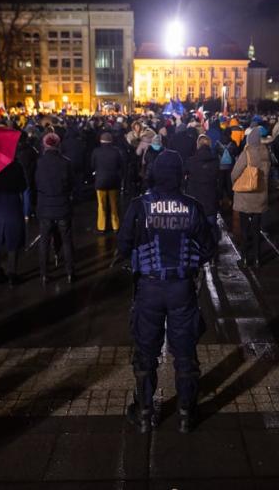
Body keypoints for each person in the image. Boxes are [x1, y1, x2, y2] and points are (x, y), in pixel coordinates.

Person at [116, 150, 217, 433]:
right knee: (184, 352)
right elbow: (208, 248)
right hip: (181, 287)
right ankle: (186, 413)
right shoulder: (192, 206)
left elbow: (123, 245)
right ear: (180, 175)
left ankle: (145, 412)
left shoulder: (139, 206)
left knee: (146, 352)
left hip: (148, 286)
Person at [35, 133, 75, 284]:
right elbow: (71, 184)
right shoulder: (65, 163)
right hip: (62, 206)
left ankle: (44, 273)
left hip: (45, 207)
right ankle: (70, 272)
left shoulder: (40, 163)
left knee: (44, 242)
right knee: (66, 241)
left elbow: (36, 183)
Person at [231, 128, 271, 267]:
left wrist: (234, 182)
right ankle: (258, 258)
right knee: (256, 228)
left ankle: (245, 258)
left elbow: (235, 172)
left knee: (244, 228)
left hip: (245, 195)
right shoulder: (265, 153)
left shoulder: (246, 153)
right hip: (260, 195)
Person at [0, 159, 27, 286]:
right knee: (13, 240)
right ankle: (12, 274)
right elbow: (23, 186)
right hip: (12, 205)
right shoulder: (17, 166)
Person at [184, 134, 221, 242]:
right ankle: (213, 253)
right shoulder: (215, 161)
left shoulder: (191, 161)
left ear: (197, 145)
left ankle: (199, 252)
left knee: (196, 228)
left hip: (195, 199)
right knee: (211, 226)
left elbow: (183, 173)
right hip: (211, 198)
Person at [91, 131, 124, 233]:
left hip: (100, 181)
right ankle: (115, 226)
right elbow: (121, 166)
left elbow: (92, 165)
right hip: (113, 181)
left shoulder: (96, 151)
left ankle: (102, 227)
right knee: (114, 204)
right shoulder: (116, 151)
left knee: (101, 205)